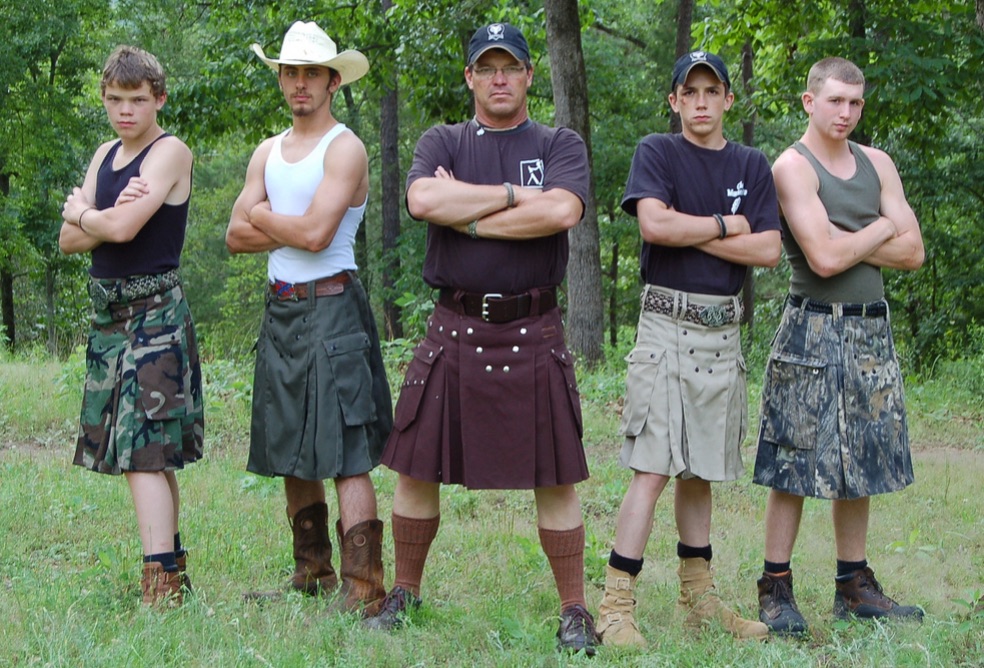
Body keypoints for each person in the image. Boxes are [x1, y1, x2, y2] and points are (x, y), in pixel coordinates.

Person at [363, 23, 599, 655]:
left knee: (556, 478)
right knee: (415, 470)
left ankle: (575, 610)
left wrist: (466, 214)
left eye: (511, 67)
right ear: (470, 76)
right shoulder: (442, 139)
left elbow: (560, 212)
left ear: (528, 76)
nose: (499, 78)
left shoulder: (559, 142)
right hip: (455, 327)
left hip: (534, 326)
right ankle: (406, 594)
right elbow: (421, 199)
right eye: (486, 67)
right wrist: (514, 197)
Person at [596, 51, 781, 647]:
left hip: (721, 334)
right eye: (689, 91)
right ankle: (615, 605)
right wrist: (729, 226)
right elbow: (655, 227)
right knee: (651, 468)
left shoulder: (751, 164)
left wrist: (691, 226)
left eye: (712, 90)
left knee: (700, 469)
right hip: (665, 329)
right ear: (675, 101)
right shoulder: (658, 152)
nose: (701, 102)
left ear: (728, 99)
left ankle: (698, 599)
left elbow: (770, 250)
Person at [753, 57, 925, 634]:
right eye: (835, 101)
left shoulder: (877, 163)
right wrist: (882, 226)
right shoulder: (792, 168)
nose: (846, 113)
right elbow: (823, 260)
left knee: (866, 458)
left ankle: (854, 585)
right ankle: (776, 588)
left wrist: (847, 235)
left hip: (870, 327)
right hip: (812, 327)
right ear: (809, 102)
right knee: (795, 459)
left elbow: (914, 253)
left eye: (855, 103)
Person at [225, 21, 392, 615]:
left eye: (310, 73)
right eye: (290, 72)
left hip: (332, 305)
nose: (299, 83)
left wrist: (264, 214)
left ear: (330, 80)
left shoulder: (344, 147)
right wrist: (270, 220)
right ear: (281, 79)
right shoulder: (267, 151)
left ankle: (366, 589)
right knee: (290, 445)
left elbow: (319, 234)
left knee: (345, 448)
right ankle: (313, 574)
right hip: (282, 307)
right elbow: (231, 235)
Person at [59, 45, 204, 608]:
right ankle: (173, 573)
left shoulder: (170, 153)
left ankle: (160, 585)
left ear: (158, 99)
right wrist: (95, 221)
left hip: (155, 316)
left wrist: (83, 213)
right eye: (115, 100)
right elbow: (71, 242)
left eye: (137, 100)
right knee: (143, 453)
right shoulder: (105, 155)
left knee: (144, 452)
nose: (125, 111)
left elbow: (119, 231)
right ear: (104, 98)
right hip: (108, 318)